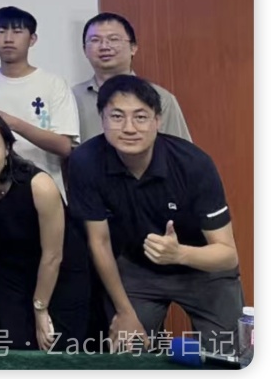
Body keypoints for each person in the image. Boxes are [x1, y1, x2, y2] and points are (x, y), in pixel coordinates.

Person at [68, 75, 242, 354]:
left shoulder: (193, 164)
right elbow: (99, 242)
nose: (129, 128)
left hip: (202, 268)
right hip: (138, 268)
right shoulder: (86, 161)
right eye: (117, 116)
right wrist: (124, 312)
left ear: (157, 121)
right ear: (102, 119)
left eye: (141, 117)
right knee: (128, 351)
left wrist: (179, 254)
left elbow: (227, 255)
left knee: (227, 355)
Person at [0, 108, 91, 352]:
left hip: (58, 273)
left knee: (57, 352)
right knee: (13, 350)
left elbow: (53, 255)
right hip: (6, 275)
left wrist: (40, 308)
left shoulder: (39, 186)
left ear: (7, 148)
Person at [0, 6, 81, 198]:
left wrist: (12, 123)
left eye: (17, 31)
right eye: (1, 31)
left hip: (46, 191)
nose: (8, 39)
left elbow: (65, 147)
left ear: (32, 39)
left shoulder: (53, 84)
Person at [73, 13, 192, 143]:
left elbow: (179, 150)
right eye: (95, 40)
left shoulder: (161, 98)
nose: (104, 46)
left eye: (114, 39)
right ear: (84, 50)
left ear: (133, 48)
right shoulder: (72, 98)